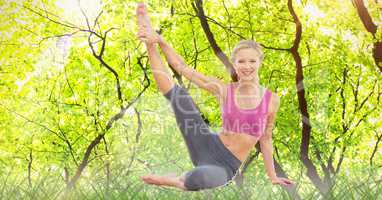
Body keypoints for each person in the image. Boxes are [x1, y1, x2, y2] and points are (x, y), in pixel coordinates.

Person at [136, 2, 294, 191]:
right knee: (179, 96)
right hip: (206, 143)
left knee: (197, 178)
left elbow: (266, 139)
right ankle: (149, 41)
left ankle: (178, 180)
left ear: (260, 62)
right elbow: (181, 67)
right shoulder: (224, 90)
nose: (247, 66)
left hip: (225, 166)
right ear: (234, 64)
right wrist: (160, 41)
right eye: (241, 61)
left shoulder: (271, 100)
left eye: (252, 61)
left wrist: (273, 176)